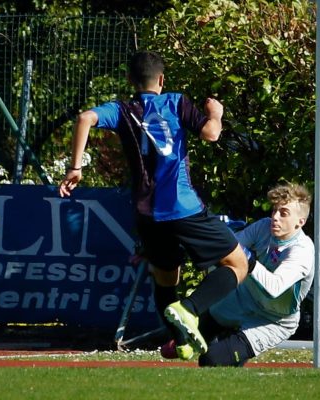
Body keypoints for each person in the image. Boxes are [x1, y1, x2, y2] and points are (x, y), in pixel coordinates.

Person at [59, 50, 249, 358]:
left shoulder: (122, 109)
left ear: (130, 80)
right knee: (238, 264)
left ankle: (182, 341)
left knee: (166, 277)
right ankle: (189, 310)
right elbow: (212, 134)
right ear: (161, 79)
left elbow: (85, 118)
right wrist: (216, 112)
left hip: (146, 214)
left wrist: (76, 167)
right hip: (182, 207)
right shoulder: (175, 102)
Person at [161, 182, 315, 366]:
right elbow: (231, 251)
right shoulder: (264, 226)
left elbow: (274, 288)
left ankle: (231, 350)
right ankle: (194, 341)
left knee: (211, 361)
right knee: (182, 340)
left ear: (300, 222)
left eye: (284, 213)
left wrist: (247, 259)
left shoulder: (302, 251)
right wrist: (223, 234)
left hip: (273, 320)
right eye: (274, 210)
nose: (275, 217)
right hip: (244, 298)